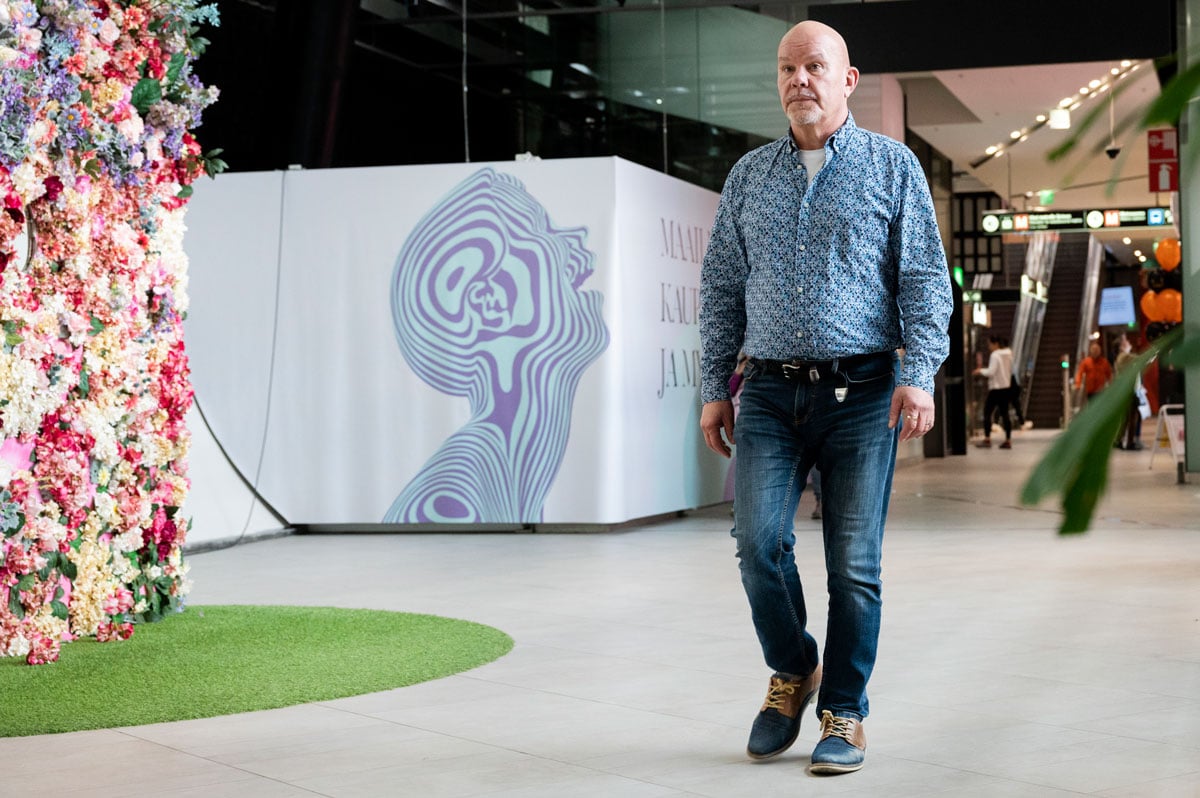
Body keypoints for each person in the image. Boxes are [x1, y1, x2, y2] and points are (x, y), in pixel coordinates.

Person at [698, 20, 952, 776]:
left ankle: (844, 710)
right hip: (769, 392)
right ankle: (794, 668)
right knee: (757, 547)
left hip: (864, 392)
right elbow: (720, 289)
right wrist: (715, 388)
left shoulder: (892, 166)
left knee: (854, 566)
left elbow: (924, 278)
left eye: (814, 66)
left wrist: (920, 372)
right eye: (787, 68)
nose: (799, 79)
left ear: (849, 79)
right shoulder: (749, 176)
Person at [972, 335, 1014, 449]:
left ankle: (987, 439)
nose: (989, 346)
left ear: (996, 344)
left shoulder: (995, 355)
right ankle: (1008, 440)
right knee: (1005, 414)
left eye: (990, 344)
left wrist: (980, 371)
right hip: (1006, 387)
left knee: (987, 413)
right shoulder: (1009, 354)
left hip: (996, 388)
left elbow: (991, 371)